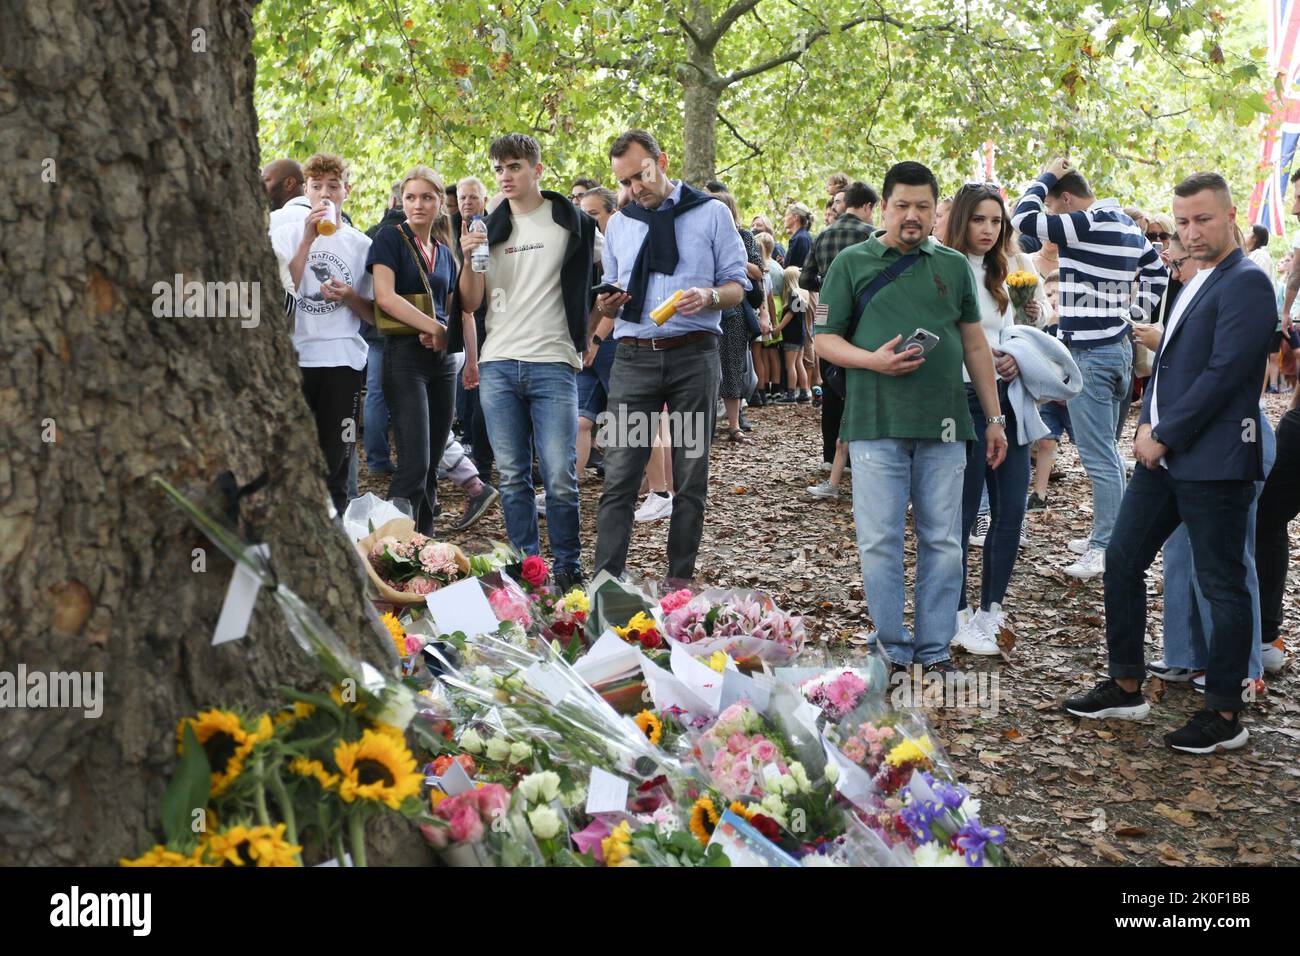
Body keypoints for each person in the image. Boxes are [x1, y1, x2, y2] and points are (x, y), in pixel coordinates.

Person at [1063, 172, 1276, 754]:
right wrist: (1145, 423)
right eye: (1182, 221)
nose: (1190, 231)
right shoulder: (1192, 279)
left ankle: (1226, 713)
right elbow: (1172, 365)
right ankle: (1127, 683)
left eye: (1203, 219)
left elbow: (1227, 374)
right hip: (1164, 459)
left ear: (1232, 215)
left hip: (1215, 459)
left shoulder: (1248, 283)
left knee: (1222, 584)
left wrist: (1166, 433)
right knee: (1123, 560)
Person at [814, 161, 1007, 676]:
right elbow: (823, 339)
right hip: (874, 422)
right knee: (879, 540)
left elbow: (974, 344)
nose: (912, 216)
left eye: (923, 206)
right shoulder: (851, 263)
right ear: (884, 207)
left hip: (944, 424)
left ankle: (934, 647)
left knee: (943, 540)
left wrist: (994, 418)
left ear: (936, 209)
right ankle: (892, 646)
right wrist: (872, 360)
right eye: (902, 205)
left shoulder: (951, 265)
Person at [592, 128, 750, 584]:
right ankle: (606, 582)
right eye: (623, 181)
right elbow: (613, 290)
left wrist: (708, 296)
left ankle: (678, 582)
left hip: (692, 357)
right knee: (620, 474)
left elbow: (738, 287)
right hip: (634, 359)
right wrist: (607, 305)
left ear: (661, 161)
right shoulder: (622, 223)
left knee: (689, 474)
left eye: (639, 175)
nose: (633, 188)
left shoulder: (712, 214)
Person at [1011, 157, 1168, 579]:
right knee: (1107, 453)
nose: (1055, 223)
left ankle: (1106, 546)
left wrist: (1043, 174)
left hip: (1091, 354)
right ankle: (1109, 531)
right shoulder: (1127, 225)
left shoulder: (1083, 222)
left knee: (1099, 457)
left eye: (1056, 209)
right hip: (1117, 349)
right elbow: (1158, 271)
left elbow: (1022, 218)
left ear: (1065, 199)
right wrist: (1134, 314)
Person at [457, 134, 598, 593]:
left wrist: (590, 337)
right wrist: (468, 257)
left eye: (514, 166)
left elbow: (599, 284)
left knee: (560, 475)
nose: (505, 176)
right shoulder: (488, 228)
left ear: (537, 170)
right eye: (499, 168)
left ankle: (569, 566)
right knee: (514, 476)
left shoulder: (571, 222)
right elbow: (471, 301)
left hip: (553, 360)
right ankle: (527, 569)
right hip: (498, 363)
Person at [944, 183, 1048, 654]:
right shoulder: (944, 269)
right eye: (978, 219)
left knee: (1011, 509)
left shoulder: (1005, 270)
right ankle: (958, 612)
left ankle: (992, 608)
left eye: (995, 221)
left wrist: (1016, 352)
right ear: (961, 220)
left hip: (1009, 399)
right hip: (960, 400)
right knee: (962, 513)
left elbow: (1020, 331)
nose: (987, 230)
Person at [270, 153, 374, 516]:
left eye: (333, 186)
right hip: (295, 358)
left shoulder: (361, 245)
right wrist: (306, 241)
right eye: (317, 187)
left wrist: (349, 296)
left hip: (341, 362)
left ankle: (336, 531)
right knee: (292, 454)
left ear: (347, 190)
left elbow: (373, 316)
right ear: (305, 190)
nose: (325, 195)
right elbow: (283, 295)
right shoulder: (283, 233)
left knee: (337, 456)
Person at [365, 166, 461, 534]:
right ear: (400, 201)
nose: (418, 204)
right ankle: (389, 552)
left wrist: (449, 338)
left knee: (432, 466)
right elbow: (385, 298)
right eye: (410, 197)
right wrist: (432, 328)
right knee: (414, 464)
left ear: (440, 203)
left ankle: (425, 553)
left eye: (426, 197)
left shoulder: (445, 253)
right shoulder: (390, 239)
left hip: (443, 362)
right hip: (403, 359)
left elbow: (456, 308)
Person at [798, 181, 878, 494]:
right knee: (861, 381)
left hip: (829, 314)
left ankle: (831, 456)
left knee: (831, 383)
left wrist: (829, 283)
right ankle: (860, 454)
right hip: (863, 317)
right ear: (869, 206)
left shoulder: (823, 235)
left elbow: (805, 278)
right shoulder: (872, 236)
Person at [705, 188, 766, 442]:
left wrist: (732, 258)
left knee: (732, 367)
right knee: (705, 370)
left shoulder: (744, 236)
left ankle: (733, 425)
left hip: (734, 312)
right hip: (705, 308)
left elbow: (758, 271)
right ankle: (704, 427)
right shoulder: (701, 234)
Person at [451, 175, 495, 480]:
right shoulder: (447, 228)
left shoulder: (493, 227)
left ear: (484, 200)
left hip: (491, 316)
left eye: (473, 197)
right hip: (458, 315)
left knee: (484, 390)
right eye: (463, 197)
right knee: (465, 386)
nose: (467, 203)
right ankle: (468, 448)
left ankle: (484, 459)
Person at [577, 186, 620, 474]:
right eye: (582, 215)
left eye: (593, 214)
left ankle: (654, 484)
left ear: (611, 215)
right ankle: (570, 482)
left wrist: (595, 339)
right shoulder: (581, 251)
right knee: (580, 419)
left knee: (628, 419)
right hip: (587, 343)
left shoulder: (616, 250)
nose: (586, 221)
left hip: (614, 343)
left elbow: (615, 304)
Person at [1027, 270, 1070, 511]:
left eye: (1059, 294)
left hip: (1073, 397)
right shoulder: (1042, 329)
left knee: (1088, 445)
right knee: (1046, 441)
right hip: (1049, 398)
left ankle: (1107, 484)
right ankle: (1039, 493)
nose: (1053, 298)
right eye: (1049, 293)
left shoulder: (1074, 329)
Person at [783, 202, 814, 269]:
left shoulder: (799, 238)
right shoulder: (805, 236)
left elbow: (791, 267)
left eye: (786, 215)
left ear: (795, 217)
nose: (784, 219)